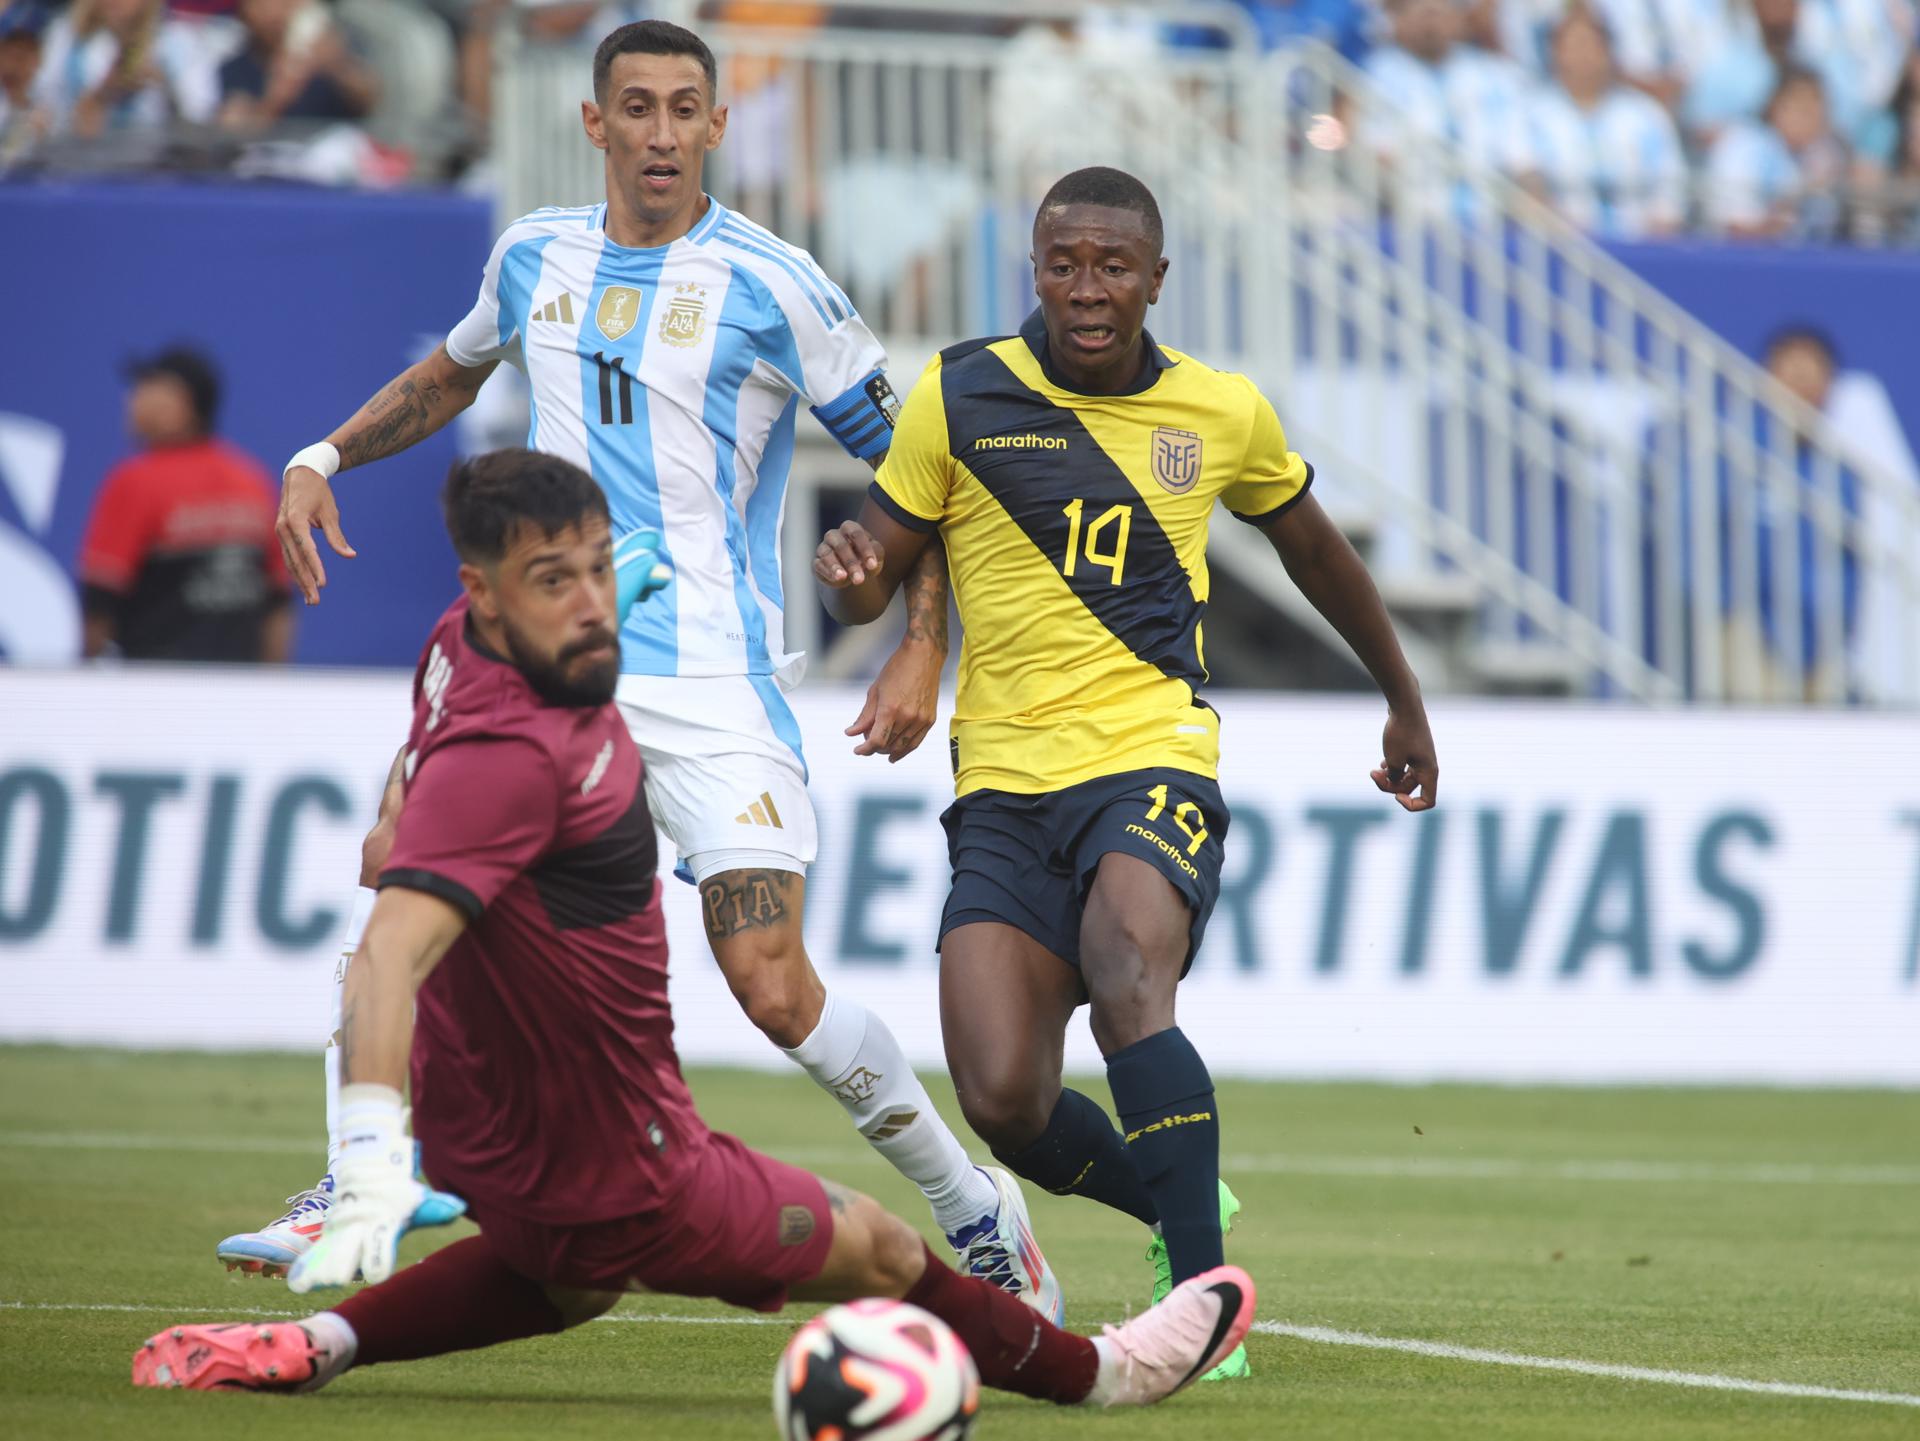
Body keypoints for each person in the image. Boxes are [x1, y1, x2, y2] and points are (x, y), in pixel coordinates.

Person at [228, 19, 1059, 1318]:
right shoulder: (533, 258)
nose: (663, 131)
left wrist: (921, 644)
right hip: (558, 682)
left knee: (774, 988)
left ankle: (970, 1205)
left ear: (719, 127)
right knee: (423, 898)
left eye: (686, 108)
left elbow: (921, 468)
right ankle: (359, 1173)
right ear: (595, 123)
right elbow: (451, 373)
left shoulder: (773, 284)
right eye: (639, 108)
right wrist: (321, 457)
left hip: (718, 685)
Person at [130, 448, 1255, 1406]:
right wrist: (371, 1155)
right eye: (549, 581)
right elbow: (386, 952)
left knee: (563, 1278)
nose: (587, 603)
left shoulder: (459, 654)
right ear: (482, 593)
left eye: (596, 570)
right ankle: (1098, 1373)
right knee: (878, 1246)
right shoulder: (519, 756)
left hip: (506, 1156)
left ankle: (313, 1348)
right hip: (634, 1163)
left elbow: (394, 838)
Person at [813, 167, 1439, 1384]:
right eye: (1064, 265)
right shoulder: (961, 390)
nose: (1087, 291)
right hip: (1000, 781)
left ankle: (1204, 1298)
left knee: (1128, 968)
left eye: (1113, 267)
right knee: (1000, 1095)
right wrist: (854, 579)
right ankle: (1172, 1204)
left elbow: (1314, 549)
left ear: (1158, 279)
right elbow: (883, 557)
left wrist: (1402, 697)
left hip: (1149, 754)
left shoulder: (1219, 411)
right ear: (1033, 270)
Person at [76, 347, 292, 663]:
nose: (131, 400)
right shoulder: (253, 478)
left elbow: (99, 605)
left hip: (155, 697)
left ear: (181, 402)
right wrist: (271, 692)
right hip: (241, 696)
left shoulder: (134, 482)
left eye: (146, 387)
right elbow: (278, 607)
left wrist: (88, 691)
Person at [1523, 7, 1687, 238]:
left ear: (1609, 51)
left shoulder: (1646, 115)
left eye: (1591, 44)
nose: (1583, 56)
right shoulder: (1533, 116)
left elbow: (1670, 191)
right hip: (1563, 247)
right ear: (1555, 53)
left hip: (1640, 247)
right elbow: (1527, 186)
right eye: (1573, 45)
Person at [31, 0, 219, 139]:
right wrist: (101, 96)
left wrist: (165, 87)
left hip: (155, 174)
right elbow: (41, 109)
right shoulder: (67, 37)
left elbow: (201, 121)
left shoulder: (179, 42)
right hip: (76, 168)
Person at [216, 0, 378, 133]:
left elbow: (369, 100)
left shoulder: (338, 45)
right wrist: (277, 97)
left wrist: (337, 65)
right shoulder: (235, 68)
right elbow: (231, 133)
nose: (276, 13)